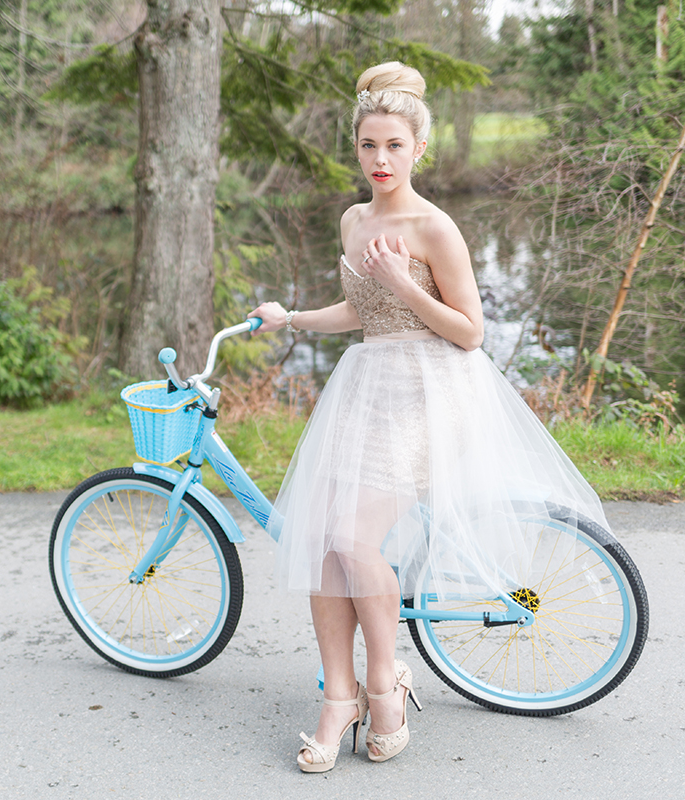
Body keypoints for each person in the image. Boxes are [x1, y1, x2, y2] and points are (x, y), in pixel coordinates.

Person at [248, 62, 611, 773]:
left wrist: (397, 280)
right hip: (367, 386)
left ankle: (385, 686)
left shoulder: (435, 227)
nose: (379, 160)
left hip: (431, 392)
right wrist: (287, 315)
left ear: (420, 148)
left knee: (355, 537)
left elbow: (470, 332)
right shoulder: (353, 219)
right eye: (367, 146)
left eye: (392, 146)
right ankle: (338, 698)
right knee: (326, 539)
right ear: (355, 148)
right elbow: (360, 313)